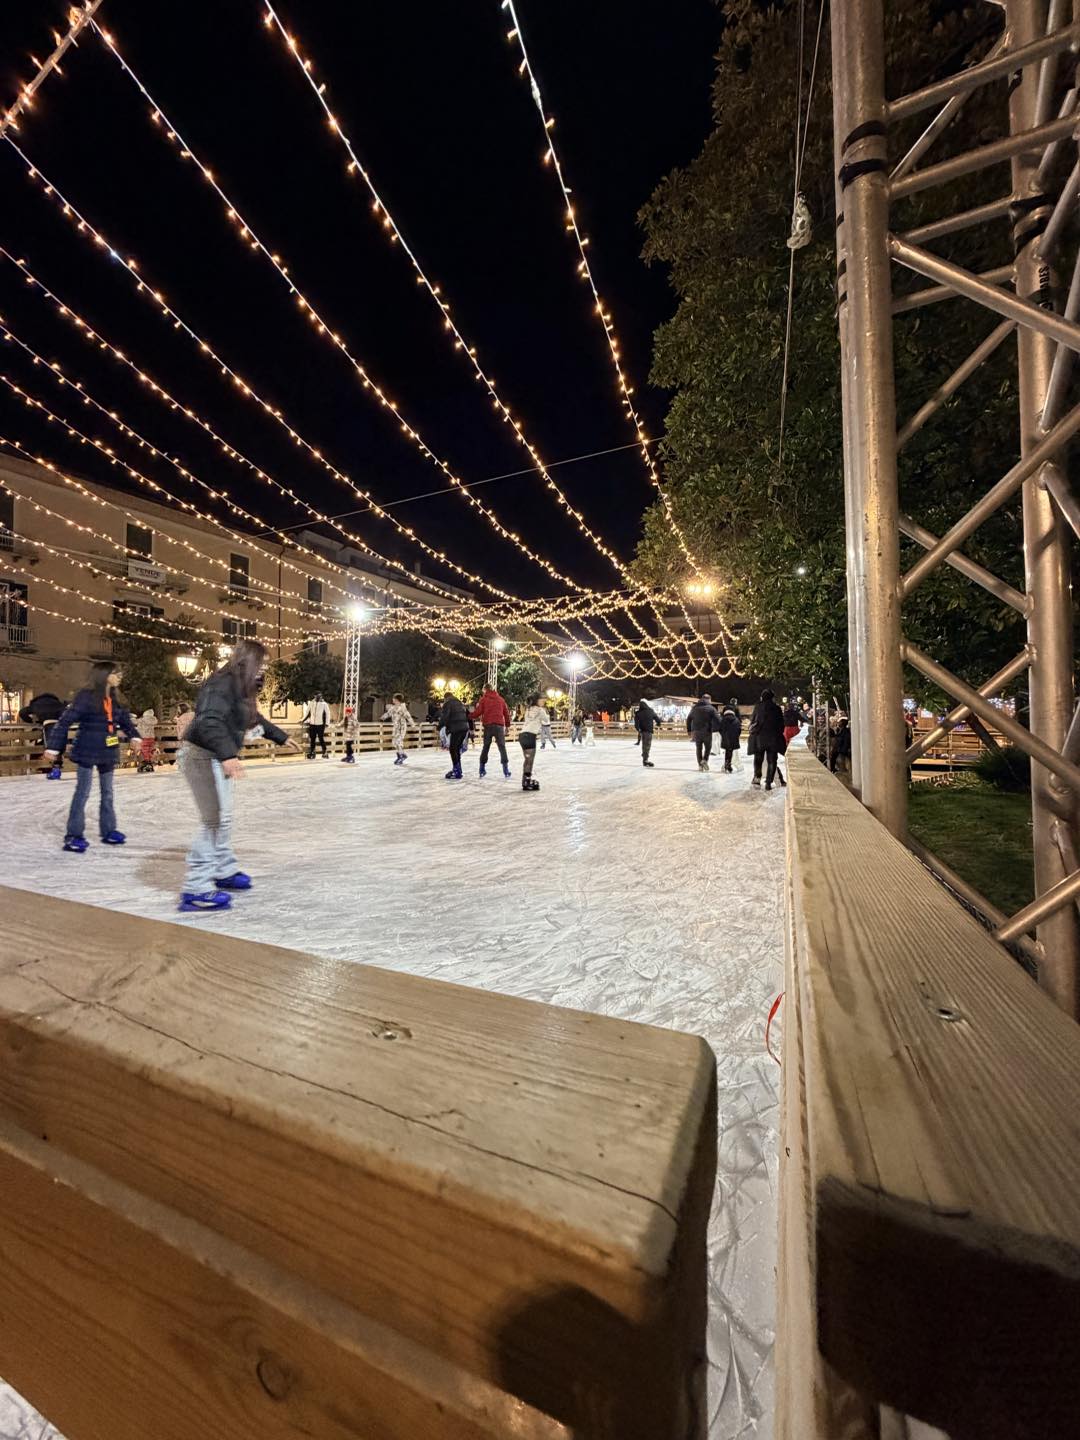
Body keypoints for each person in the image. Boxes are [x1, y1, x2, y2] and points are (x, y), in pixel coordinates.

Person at [178, 638, 299, 912]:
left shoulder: (241, 686)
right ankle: (195, 889)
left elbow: (253, 718)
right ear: (248, 661)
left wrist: (281, 737)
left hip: (216, 756)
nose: (264, 669)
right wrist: (227, 755)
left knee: (224, 818)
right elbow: (209, 721)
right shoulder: (221, 683)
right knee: (213, 821)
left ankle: (223, 870)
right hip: (201, 756)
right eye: (262, 663)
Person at [43, 662, 141, 852]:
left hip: (108, 750)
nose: (120, 676)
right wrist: (53, 747)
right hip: (87, 749)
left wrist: (134, 736)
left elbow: (125, 722)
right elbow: (65, 721)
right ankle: (74, 835)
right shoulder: (86, 697)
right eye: (115, 673)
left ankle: (109, 830)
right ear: (103, 675)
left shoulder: (116, 698)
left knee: (108, 793)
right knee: (83, 792)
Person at [470, 684, 512, 778]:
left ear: (485, 690)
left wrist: (469, 716)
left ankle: (481, 769)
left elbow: (478, 712)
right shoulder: (501, 699)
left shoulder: (483, 699)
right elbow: (506, 713)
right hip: (499, 726)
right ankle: (506, 770)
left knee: (486, 747)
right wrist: (507, 726)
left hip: (488, 726)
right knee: (502, 747)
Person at [748, 688, 786, 791]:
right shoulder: (777, 708)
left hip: (759, 738)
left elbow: (753, 721)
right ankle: (768, 782)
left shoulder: (758, 707)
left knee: (758, 759)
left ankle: (757, 778)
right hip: (773, 738)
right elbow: (781, 725)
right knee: (772, 761)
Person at [518, 692, 548, 790]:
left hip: (522, 736)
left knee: (527, 760)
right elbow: (546, 720)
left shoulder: (528, 709)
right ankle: (527, 782)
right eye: (542, 699)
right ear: (537, 700)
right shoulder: (540, 710)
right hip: (530, 736)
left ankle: (525, 780)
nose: (544, 701)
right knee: (529, 761)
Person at [440, 690, 470, 779]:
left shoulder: (448, 703)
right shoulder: (460, 704)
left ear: (446, 698)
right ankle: (457, 769)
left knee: (453, 749)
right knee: (456, 749)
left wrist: (439, 726)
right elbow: (468, 715)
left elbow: (445, 717)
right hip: (464, 729)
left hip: (456, 729)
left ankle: (457, 771)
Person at [686, 693, 720, 772]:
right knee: (708, 747)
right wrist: (718, 728)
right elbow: (718, 719)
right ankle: (705, 760)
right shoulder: (711, 708)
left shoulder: (694, 708)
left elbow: (689, 719)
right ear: (709, 699)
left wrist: (689, 730)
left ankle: (700, 765)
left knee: (699, 748)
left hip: (696, 731)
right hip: (707, 731)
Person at [381, 692, 414, 765]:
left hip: (401, 727)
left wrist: (412, 723)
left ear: (396, 699)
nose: (392, 700)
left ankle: (401, 756)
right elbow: (388, 713)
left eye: (393, 698)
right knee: (394, 742)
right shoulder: (393, 708)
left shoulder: (402, 708)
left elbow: (408, 716)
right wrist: (382, 717)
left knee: (398, 742)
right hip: (396, 727)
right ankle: (401, 755)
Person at [303, 692, 330, 758]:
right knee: (312, 739)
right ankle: (312, 752)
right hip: (312, 724)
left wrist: (327, 723)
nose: (317, 697)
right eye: (316, 696)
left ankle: (325, 752)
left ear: (321, 696)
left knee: (321, 738)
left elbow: (328, 713)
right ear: (314, 696)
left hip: (320, 724)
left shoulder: (324, 704)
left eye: (318, 696)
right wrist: (302, 720)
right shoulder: (311, 703)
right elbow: (307, 712)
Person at [719, 702, 742, 773]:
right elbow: (739, 730)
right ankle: (728, 765)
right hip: (733, 738)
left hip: (725, 738)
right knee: (730, 751)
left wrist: (723, 735)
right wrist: (736, 736)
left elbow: (720, 729)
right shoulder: (736, 720)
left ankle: (727, 764)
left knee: (727, 750)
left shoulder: (722, 719)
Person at [634, 695, 658, 768]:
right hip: (649, 731)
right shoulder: (651, 711)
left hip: (642, 731)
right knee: (647, 745)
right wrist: (658, 723)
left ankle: (644, 756)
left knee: (644, 744)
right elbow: (657, 718)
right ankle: (645, 759)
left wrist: (638, 729)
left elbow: (636, 724)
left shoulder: (638, 713)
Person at [136, 707, 158, 773]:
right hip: (151, 738)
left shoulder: (142, 720)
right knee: (149, 750)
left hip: (144, 737)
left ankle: (147, 763)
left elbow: (134, 721)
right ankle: (149, 762)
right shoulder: (153, 720)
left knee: (144, 750)